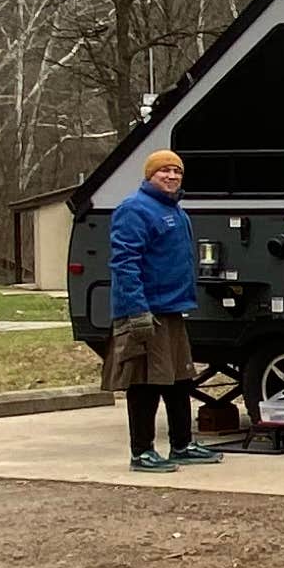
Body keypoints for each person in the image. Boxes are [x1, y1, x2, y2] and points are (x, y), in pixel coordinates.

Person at [105, 151, 217, 472]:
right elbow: (124, 264)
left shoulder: (175, 210)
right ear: (149, 175)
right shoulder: (134, 209)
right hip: (146, 311)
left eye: (176, 171)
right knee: (146, 382)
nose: (171, 176)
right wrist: (136, 309)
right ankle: (141, 452)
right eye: (163, 171)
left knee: (179, 379)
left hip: (172, 310)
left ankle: (181, 445)